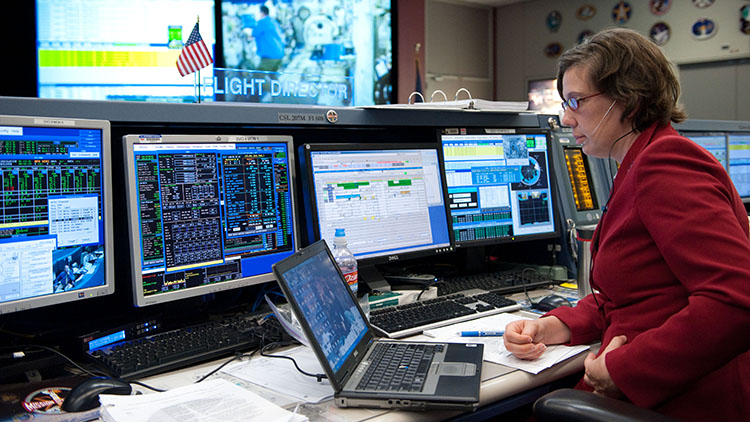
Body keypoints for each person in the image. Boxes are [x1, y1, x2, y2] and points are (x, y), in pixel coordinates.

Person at [503, 28, 750, 421]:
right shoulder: (640, 163)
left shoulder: (665, 165)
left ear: (628, 100)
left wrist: (624, 370)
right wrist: (556, 325)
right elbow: (636, 294)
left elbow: (736, 300)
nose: (565, 118)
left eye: (576, 101)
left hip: (682, 396)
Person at [252, 5, 284, 75]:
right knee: (272, 76)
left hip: (270, 56)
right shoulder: (273, 21)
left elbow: (254, 33)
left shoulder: (262, 22)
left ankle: (270, 86)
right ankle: (277, 86)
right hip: (279, 54)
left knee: (258, 76)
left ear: (262, 13)